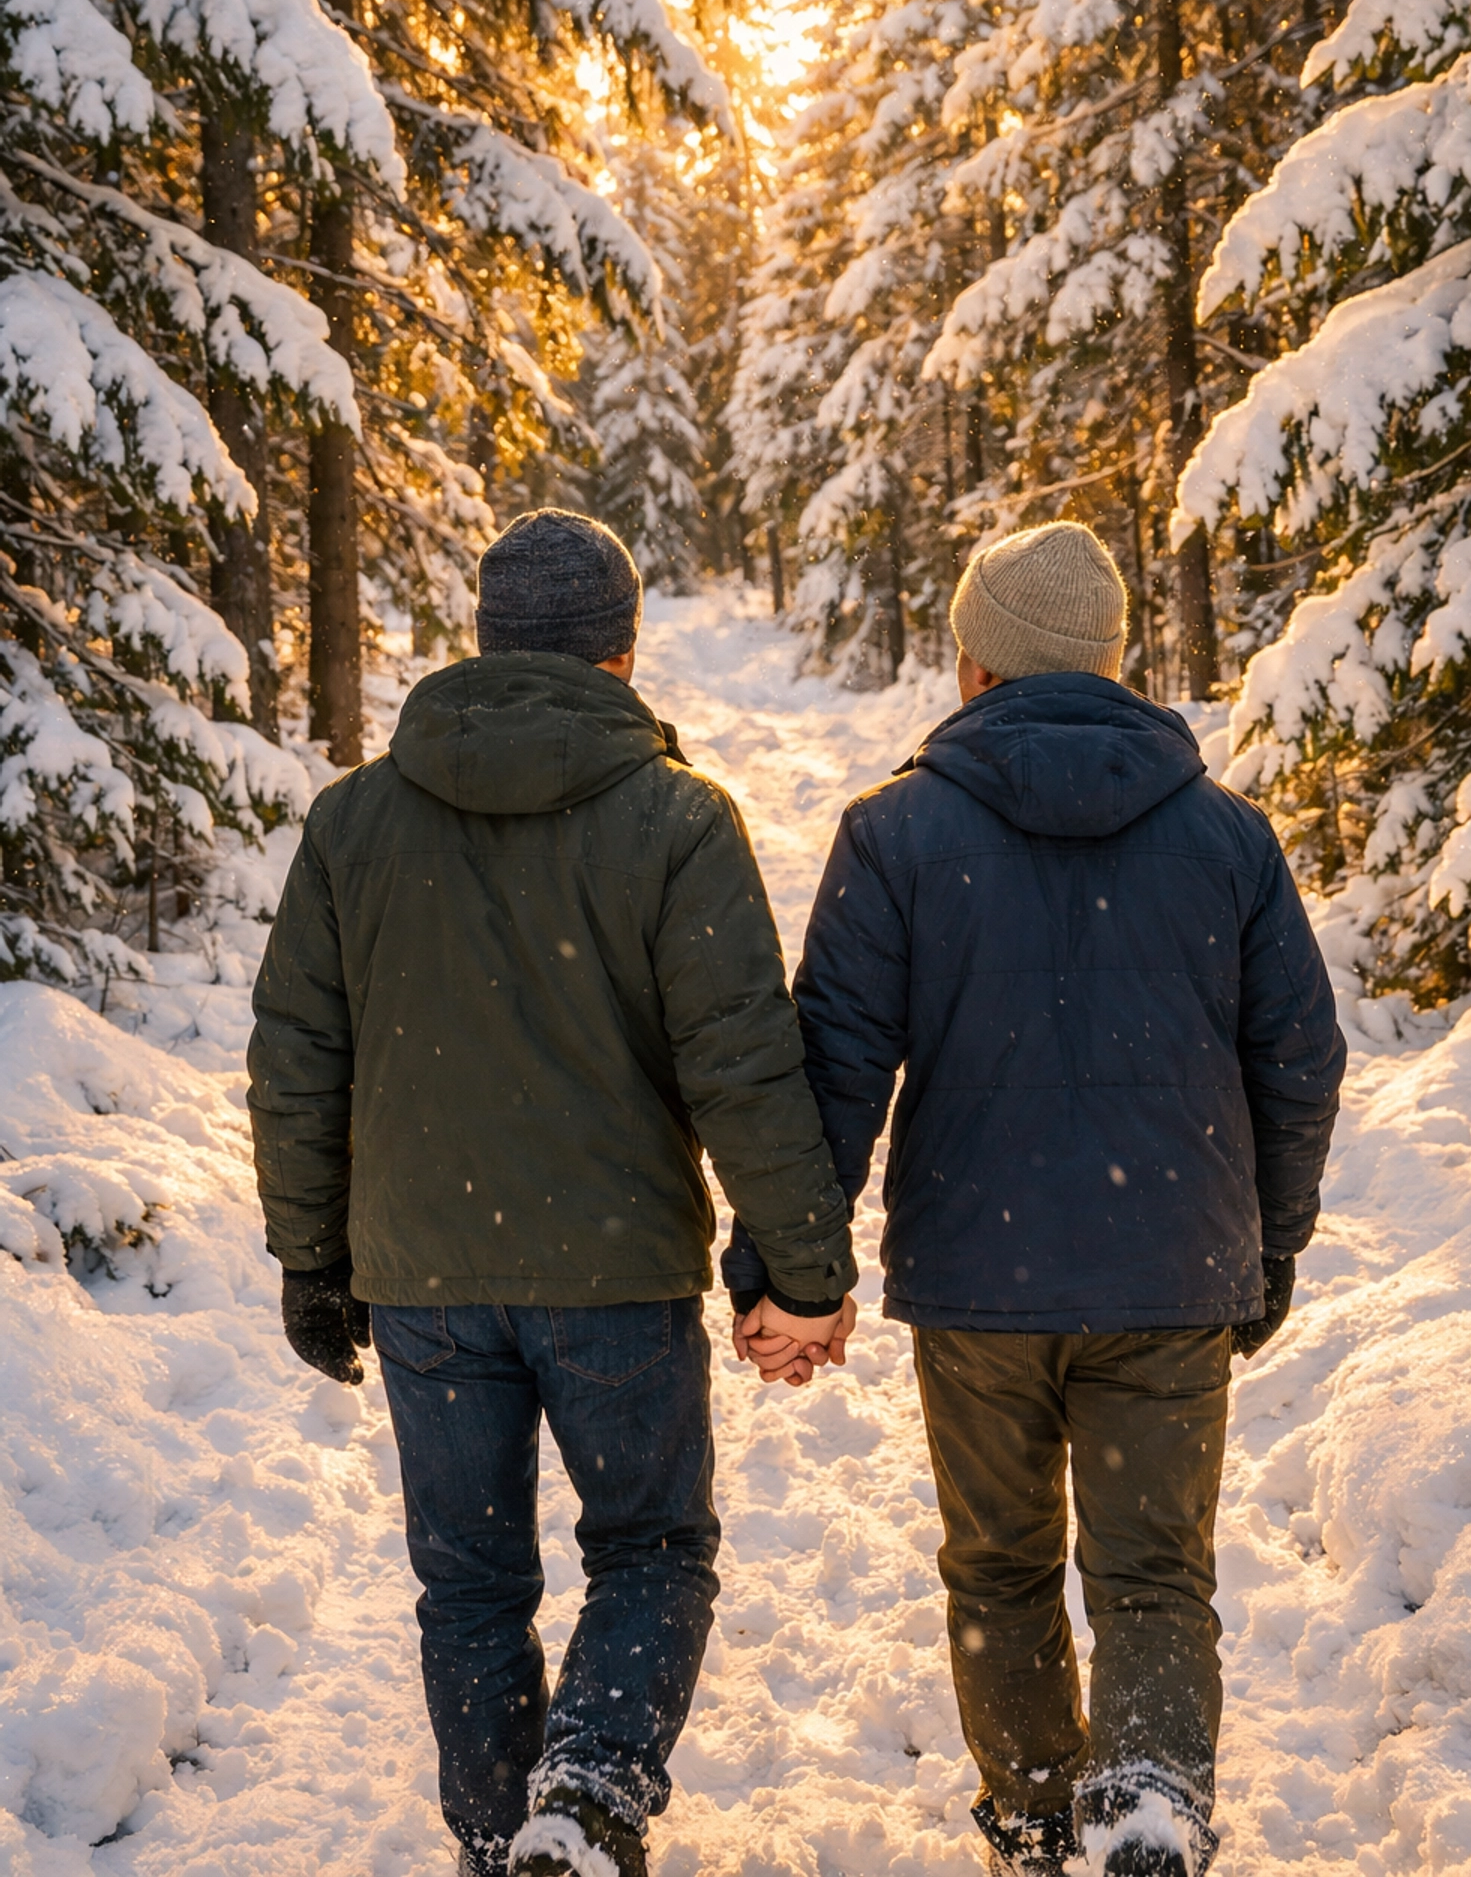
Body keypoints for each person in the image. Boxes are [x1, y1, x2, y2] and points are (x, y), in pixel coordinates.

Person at [247, 509, 857, 1877]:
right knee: (650, 1546)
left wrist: (310, 1259)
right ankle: (585, 1795)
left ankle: (495, 1836)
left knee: (468, 1584)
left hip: (423, 1280)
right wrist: (800, 1268)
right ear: (622, 654)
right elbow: (744, 1067)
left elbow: (296, 1062)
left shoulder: (356, 820)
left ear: (485, 641)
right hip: (616, 1279)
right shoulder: (679, 818)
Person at [773, 521, 1346, 1877]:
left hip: (982, 1279)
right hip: (1171, 1264)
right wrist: (1265, 1245)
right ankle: (1144, 1794)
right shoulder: (1224, 835)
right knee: (1155, 1575)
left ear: (974, 665)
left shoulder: (897, 831)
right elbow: (1302, 1060)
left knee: (1000, 1564)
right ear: (1112, 663)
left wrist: (798, 1264)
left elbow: (834, 1070)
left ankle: (1035, 1816)